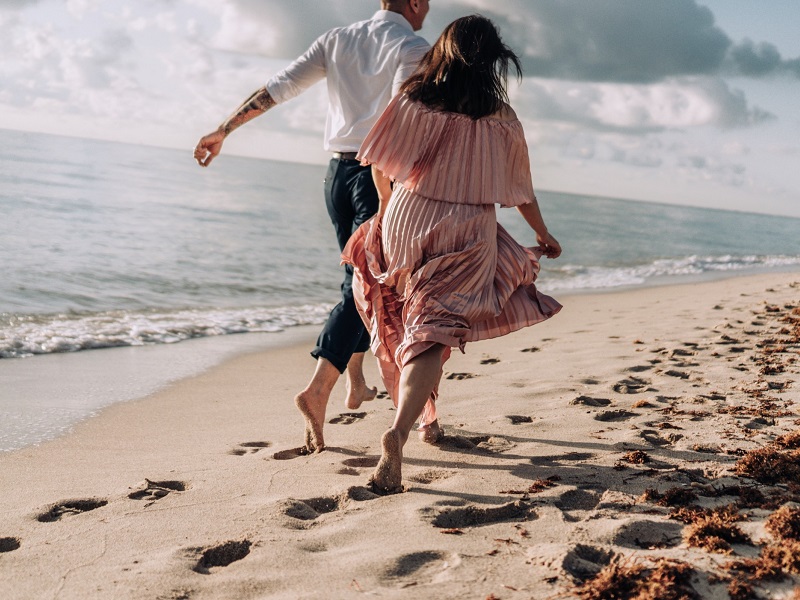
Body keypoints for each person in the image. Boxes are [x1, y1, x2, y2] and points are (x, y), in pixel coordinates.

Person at [193, 1, 431, 454]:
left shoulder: (337, 39)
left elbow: (276, 90)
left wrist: (223, 130)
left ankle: (356, 382)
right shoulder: (413, 47)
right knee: (364, 287)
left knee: (361, 285)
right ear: (415, 3)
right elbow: (403, 118)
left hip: (336, 179)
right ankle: (318, 389)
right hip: (376, 178)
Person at [341, 15, 563, 494]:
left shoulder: (414, 97)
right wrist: (543, 235)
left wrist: (385, 211)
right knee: (434, 329)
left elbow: (381, 168)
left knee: (410, 322)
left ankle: (426, 422)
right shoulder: (502, 116)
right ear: (492, 60)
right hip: (466, 230)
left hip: (405, 215)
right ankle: (399, 431)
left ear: (443, 50)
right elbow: (521, 191)